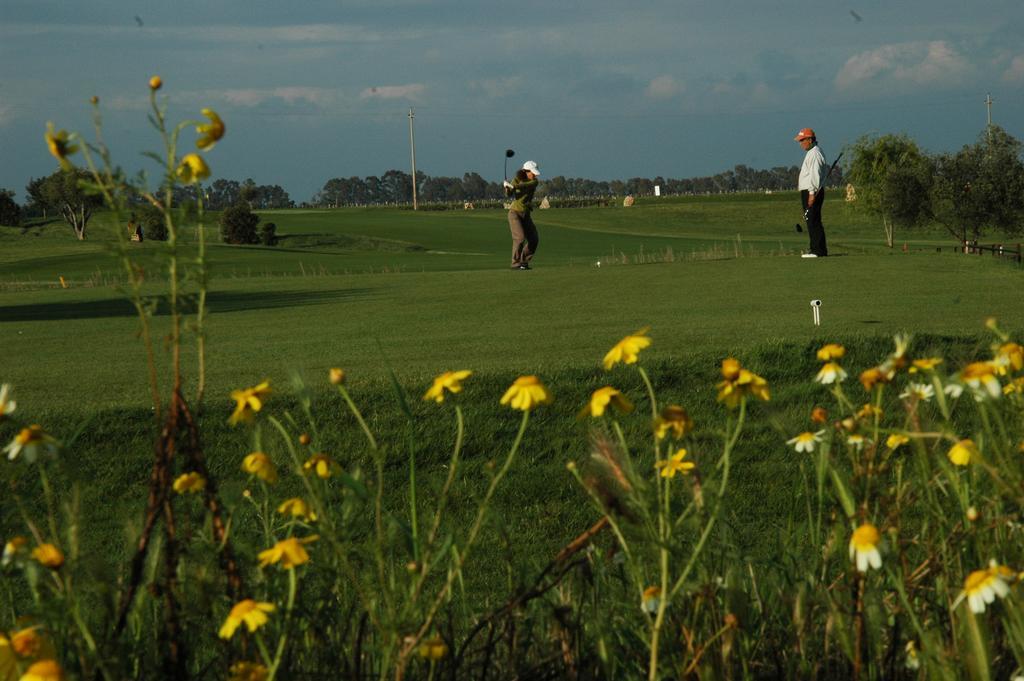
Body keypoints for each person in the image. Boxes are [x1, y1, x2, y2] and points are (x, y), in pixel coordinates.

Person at [795, 128, 828, 257]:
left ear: (810, 139)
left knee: (813, 220)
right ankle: (817, 249)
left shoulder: (814, 153)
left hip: (812, 191)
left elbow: (815, 175)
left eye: (802, 140)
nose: (800, 143)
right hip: (810, 191)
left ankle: (817, 250)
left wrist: (811, 193)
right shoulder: (811, 152)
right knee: (812, 220)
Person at [503, 160, 541, 270]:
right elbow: (509, 194)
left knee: (534, 239)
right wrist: (507, 188)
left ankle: (523, 261)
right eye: (532, 173)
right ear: (526, 171)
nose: (534, 175)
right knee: (519, 238)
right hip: (514, 213)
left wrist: (513, 186)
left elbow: (524, 186)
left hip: (526, 214)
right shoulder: (516, 180)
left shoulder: (534, 182)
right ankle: (515, 263)